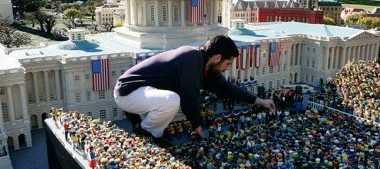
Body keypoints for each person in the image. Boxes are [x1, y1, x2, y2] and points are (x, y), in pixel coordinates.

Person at [113, 35, 276, 147]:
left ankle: (155, 135)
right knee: (172, 100)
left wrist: (261, 101)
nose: (227, 69)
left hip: (144, 94)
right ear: (218, 58)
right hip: (128, 92)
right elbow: (190, 99)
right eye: (227, 64)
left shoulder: (205, 67)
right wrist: (198, 127)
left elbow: (228, 89)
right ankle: (143, 130)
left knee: (170, 100)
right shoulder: (192, 58)